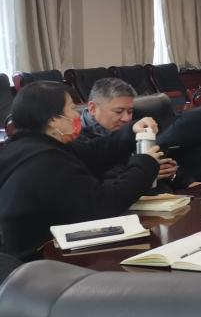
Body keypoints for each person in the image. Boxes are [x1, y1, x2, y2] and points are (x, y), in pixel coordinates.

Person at [0, 81, 161, 260]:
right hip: (42, 260)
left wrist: (132, 131)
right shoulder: (45, 161)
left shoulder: (28, 146)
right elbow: (103, 204)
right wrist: (144, 165)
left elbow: (95, 151)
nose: (77, 114)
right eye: (71, 108)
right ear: (53, 119)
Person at [79, 77, 178, 183]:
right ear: (93, 108)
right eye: (118, 112)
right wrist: (143, 174)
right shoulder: (77, 140)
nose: (126, 119)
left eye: (130, 111)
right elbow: (102, 185)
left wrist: (170, 173)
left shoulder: (138, 125)